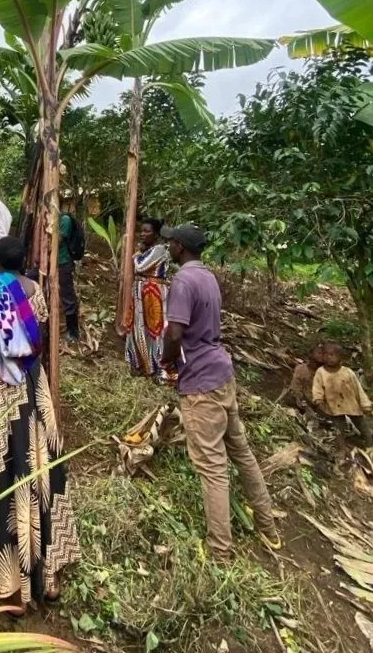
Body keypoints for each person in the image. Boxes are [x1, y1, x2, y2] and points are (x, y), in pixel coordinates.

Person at [0, 235, 80, 613]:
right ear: (24, 260)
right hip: (31, 383)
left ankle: (8, 585)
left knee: (3, 472)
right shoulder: (34, 289)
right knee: (42, 466)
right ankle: (49, 574)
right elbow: (37, 338)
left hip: (1, 389)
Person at [160, 223, 280, 561]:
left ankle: (220, 551)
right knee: (241, 452)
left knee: (212, 467)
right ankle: (268, 528)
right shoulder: (208, 276)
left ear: (180, 248)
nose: (168, 246)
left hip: (200, 382)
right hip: (222, 373)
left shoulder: (184, 280)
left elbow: (175, 333)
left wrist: (166, 363)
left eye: (171, 242)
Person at [125, 217, 174, 381]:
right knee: (139, 327)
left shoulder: (159, 249)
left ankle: (158, 368)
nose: (143, 234)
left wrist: (136, 255)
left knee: (155, 330)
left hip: (153, 293)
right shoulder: (148, 249)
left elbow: (140, 266)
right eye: (142, 230)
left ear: (156, 234)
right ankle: (142, 364)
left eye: (147, 231)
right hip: (142, 292)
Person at [312, 342, 372, 447]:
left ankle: (370, 444)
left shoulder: (348, 372)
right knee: (338, 428)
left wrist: (365, 404)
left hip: (351, 404)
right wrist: (319, 400)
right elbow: (317, 388)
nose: (328, 357)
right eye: (326, 354)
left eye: (332, 355)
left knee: (362, 424)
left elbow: (358, 389)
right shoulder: (320, 372)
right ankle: (342, 448)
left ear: (340, 357)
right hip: (333, 406)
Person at [58, 196, 80, 344]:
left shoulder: (64, 220)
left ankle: (73, 331)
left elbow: (58, 241)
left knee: (67, 295)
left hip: (63, 262)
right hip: (49, 263)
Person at [285, 343, 325, 412]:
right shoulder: (302, 369)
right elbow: (295, 389)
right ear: (310, 354)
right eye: (319, 352)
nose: (322, 355)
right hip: (301, 402)